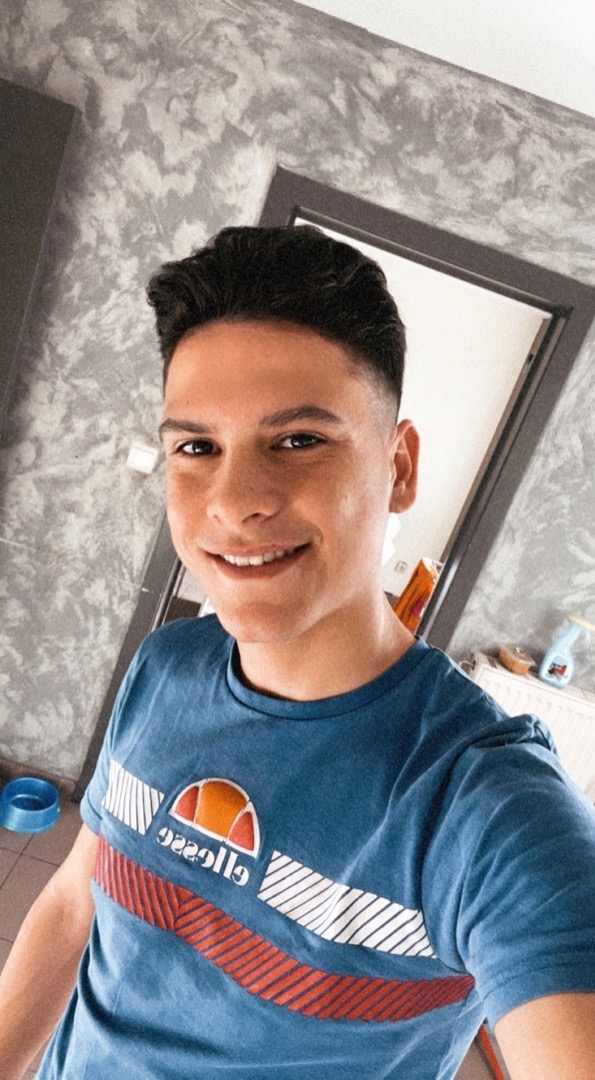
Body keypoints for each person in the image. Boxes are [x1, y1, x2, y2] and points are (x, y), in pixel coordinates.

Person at [1, 225, 594, 1080]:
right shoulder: (165, 668)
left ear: (398, 467)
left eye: (297, 440)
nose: (234, 501)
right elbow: (71, 906)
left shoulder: (485, 809)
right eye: (196, 448)